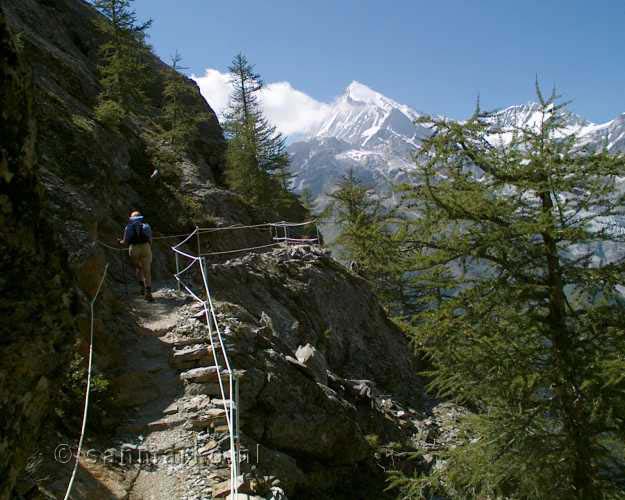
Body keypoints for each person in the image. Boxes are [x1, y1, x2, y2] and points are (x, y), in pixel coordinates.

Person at [120, 210, 154, 301]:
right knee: (147, 270)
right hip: (145, 248)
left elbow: (125, 242)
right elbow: (150, 239)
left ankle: (142, 287)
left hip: (133, 249)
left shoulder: (128, 227)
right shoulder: (146, 226)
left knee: (138, 268)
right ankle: (148, 292)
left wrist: (120, 242)